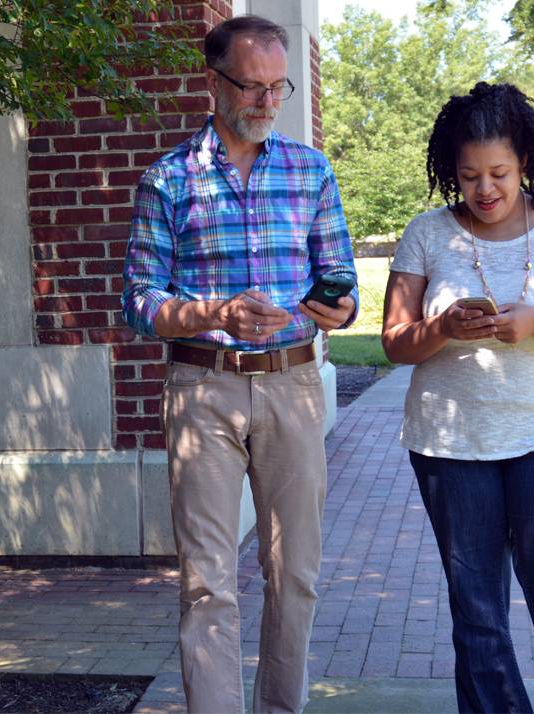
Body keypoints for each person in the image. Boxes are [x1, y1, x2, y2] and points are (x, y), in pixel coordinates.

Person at [122, 14, 358, 713]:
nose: (264, 101)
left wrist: (332, 309)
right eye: (250, 86)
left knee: (295, 574)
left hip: (293, 383)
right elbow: (139, 303)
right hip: (203, 389)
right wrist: (213, 312)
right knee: (206, 582)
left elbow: (340, 281)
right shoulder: (167, 179)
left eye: (276, 87)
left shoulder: (311, 170)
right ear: (212, 81)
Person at [382, 82, 534, 713]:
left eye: (499, 173)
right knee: (477, 604)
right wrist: (440, 329)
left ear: (525, 164)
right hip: (450, 441)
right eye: (468, 177)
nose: (484, 190)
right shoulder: (427, 234)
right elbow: (395, 342)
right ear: (449, 173)